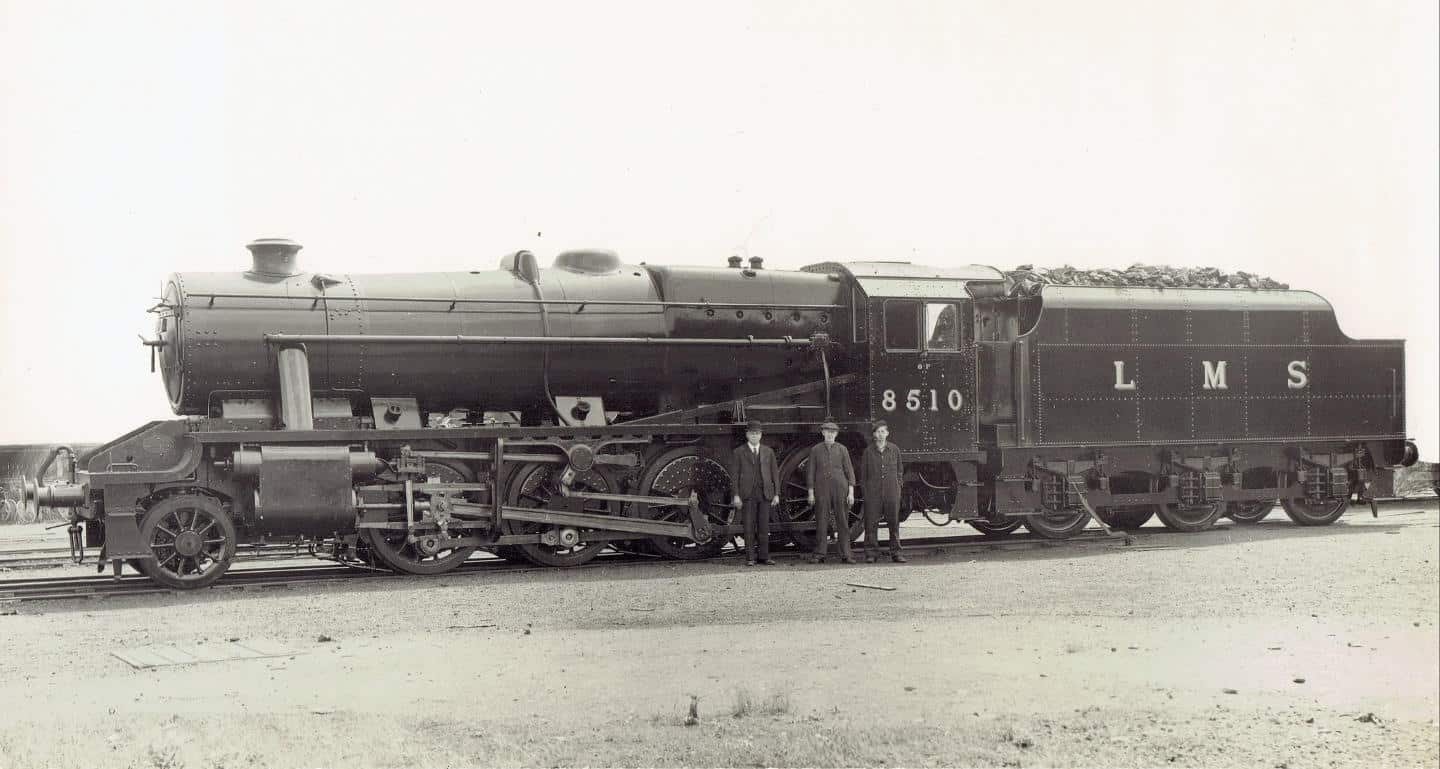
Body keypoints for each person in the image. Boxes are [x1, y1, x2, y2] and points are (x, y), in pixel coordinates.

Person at [728, 420, 780, 566]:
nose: (754, 436)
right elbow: (735, 476)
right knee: (749, 527)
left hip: (765, 494)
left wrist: (776, 494)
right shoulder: (738, 452)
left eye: (757, 434)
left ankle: (764, 557)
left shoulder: (768, 451)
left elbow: (775, 474)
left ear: (761, 435)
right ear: (747, 435)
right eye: (752, 434)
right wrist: (736, 495)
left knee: (764, 526)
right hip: (747, 494)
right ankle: (750, 558)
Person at [805, 420, 856, 564]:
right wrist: (811, 492)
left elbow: (849, 471)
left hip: (841, 488)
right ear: (823, 433)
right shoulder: (815, 449)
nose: (830, 434)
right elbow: (810, 472)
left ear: (836, 434)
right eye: (827, 431)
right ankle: (820, 553)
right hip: (822, 489)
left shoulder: (842, 449)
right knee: (821, 520)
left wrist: (851, 492)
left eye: (833, 432)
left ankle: (846, 554)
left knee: (843, 521)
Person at [860, 420, 907, 563]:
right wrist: (867, 493)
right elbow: (864, 475)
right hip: (873, 493)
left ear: (887, 433)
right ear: (874, 434)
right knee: (871, 524)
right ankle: (871, 554)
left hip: (891, 492)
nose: (880, 435)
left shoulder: (895, 449)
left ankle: (896, 553)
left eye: (883, 432)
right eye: (877, 432)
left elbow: (900, 470)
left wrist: (898, 487)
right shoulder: (868, 451)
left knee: (894, 523)